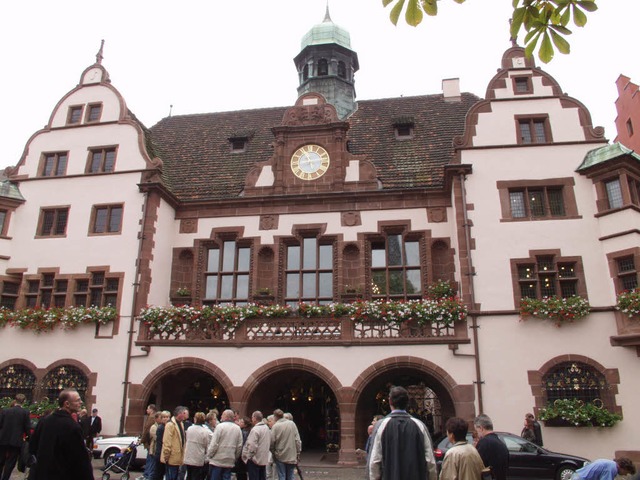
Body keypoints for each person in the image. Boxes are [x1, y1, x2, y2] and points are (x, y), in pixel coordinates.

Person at [368, 386, 437, 480]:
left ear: (390, 401)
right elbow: (430, 460)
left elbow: (375, 460)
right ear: (407, 402)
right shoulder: (419, 425)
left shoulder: (381, 426)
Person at [28, 388, 93, 480]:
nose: (81, 402)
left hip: (42, 473)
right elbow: (79, 458)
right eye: (78, 400)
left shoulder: (44, 421)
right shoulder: (72, 426)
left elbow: (32, 446)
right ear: (67, 404)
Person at [0, 393, 31, 480]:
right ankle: (5, 478)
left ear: (15, 400)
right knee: (11, 462)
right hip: (16, 440)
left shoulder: (5, 411)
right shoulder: (25, 412)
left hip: (3, 439)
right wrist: (29, 438)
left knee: (0, 460)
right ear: (24, 401)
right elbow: (27, 427)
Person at [207, 409, 243, 480]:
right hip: (229, 459)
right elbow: (239, 445)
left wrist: (209, 454)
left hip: (217, 459)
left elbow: (214, 443)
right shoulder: (237, 428)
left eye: (222, 415)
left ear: (226, 416)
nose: (221, 416)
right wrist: (235, 457)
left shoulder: (220, 427)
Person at [474, 414, 509, 480]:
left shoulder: (483, 443)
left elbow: (477, 466)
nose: (477, 435)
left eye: (476, 431)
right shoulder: (501, 443)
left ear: (481, 428)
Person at [270, 409, 301, 480]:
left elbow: (271, 442)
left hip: (280, 455)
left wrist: (273, 452)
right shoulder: (292, 424)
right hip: (291, 454)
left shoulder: (275, 426)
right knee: (290, 475)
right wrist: (298, 452)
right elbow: (297, 440)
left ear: (275, 417)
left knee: (282, 475)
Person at [161, 406, 189, 480]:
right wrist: (166, 455)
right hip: (171, 457)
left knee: (176, 476)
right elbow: (167, 441)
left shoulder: (181, 424)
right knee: (171, 476)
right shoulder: (170, 425)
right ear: (179, 414)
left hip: (178, 456)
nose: (185, 415)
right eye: (183, 413)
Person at [242, 411, 271, 480]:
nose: (251, 419)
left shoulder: (255, 429)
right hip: (263, 458)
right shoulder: (266, 428)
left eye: (252, 417)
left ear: (255, 418)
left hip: (255, 459)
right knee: (262, 477)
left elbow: (252, 445)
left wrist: (249, 456)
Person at [183, 412, 212, 480]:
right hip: (198, 458)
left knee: (189, 475)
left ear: (195, 419)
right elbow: (207, 445)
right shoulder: (205, 432)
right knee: (196, 476)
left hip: (189, 456)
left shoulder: (190, 429)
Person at [152, 410, 171, 480]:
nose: (166, 419)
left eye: (167, 417)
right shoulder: (161, 428)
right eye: (164, 417)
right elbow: (161, 441)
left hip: (163, 452)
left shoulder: (168, 427)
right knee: (158, 473)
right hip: (160, 453)